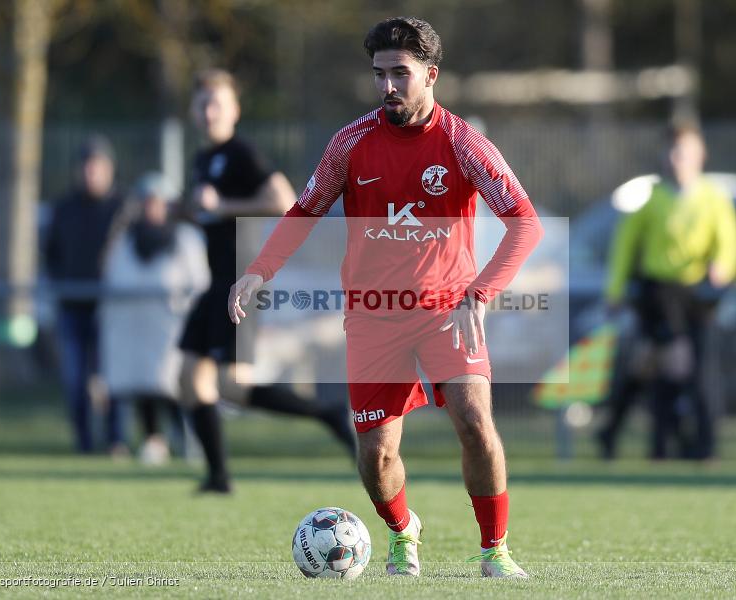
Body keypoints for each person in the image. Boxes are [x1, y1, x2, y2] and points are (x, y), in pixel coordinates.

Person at [229, 17, 543, 578]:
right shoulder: (351, 144)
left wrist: (480, 293)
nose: (389, 86)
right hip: (374, 318)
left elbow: (525, 223)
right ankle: (403, 532)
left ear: (432, 75)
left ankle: (494, 549)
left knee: (476, 423)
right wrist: (258, 271)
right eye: (380, 75)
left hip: (447, 312)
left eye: (401, 73)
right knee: (376, 455)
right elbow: (305, 211)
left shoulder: (462, 144)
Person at [179, 69, 357, 493]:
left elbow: (282, 200)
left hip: (241, 283)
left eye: (217, 103)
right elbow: (209, 213)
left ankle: (327, 413)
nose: (208, 112)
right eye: (202, 104)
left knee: (232, 388)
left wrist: (222, 205)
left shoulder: (241, 153)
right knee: (188, 378)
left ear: (235, 111)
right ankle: (218, 477)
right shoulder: (203, 159)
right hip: (214, 283)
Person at [605, 123, 736, 460]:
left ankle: (691, 445)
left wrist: (722, 265)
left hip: (697, 296)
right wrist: (615, 290)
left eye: (683, 152)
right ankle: (669, 445)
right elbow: (624, 245)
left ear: (700, 156)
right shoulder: (654, 199)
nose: (676, 158)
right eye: (672, 151)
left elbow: (728, 240)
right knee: (674, 365)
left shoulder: (713, 197)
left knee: (672, 368)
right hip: (659, 295)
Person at [100, 172, 210, 465]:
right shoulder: (126, 240)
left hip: (172, 327)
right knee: (142, 387)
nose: (152, 208)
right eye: (147, 202)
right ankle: (153, 440)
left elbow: (199, 282)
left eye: (158, 202)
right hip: (134, 327)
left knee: (174, 387)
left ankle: (188, 441)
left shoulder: (185, 239)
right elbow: (114, 278)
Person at [45, 135, 127, 455]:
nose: (91, 172)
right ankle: (84, 444)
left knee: (115, 381)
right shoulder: (65, 208)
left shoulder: (123, 206)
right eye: (86, 166)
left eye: (98, 165)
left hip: (114, 309)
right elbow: (51, 253)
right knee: (76, 381)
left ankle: (117, 441)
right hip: (73, 307)